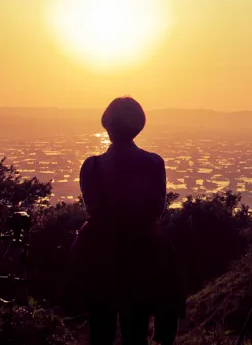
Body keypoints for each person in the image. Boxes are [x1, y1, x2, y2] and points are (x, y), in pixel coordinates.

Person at [70, 97, 184, 345]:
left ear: (107, 124)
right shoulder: (154, 163)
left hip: (100, 256)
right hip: (142, 255)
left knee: (100, 331)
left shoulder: (92, 166)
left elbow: (92, 208)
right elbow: (157, 209)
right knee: (136, 330)